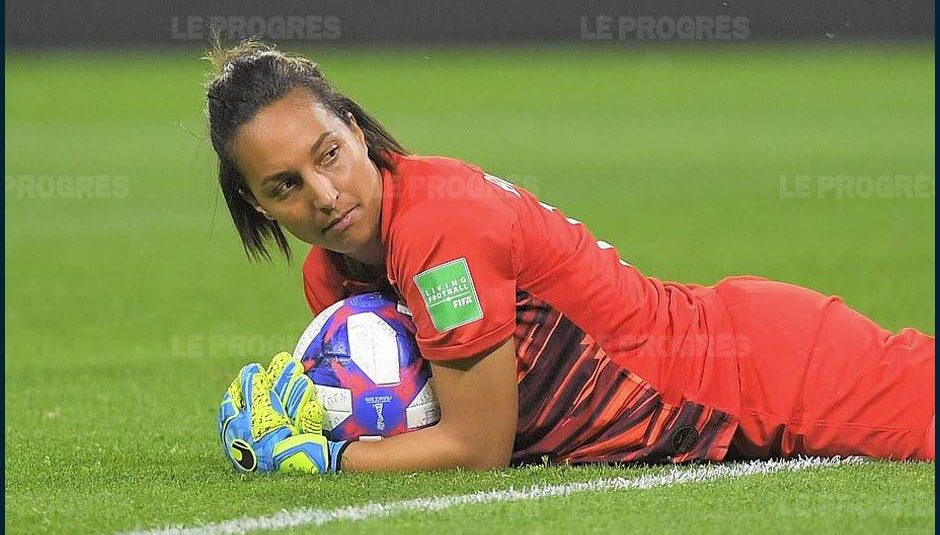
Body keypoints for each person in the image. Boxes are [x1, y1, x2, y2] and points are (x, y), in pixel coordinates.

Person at [208, 42, 934, 475]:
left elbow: (477, 444)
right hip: (719, 378)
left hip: (760, 375)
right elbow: (412, 412)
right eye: (286, 187)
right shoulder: (329, 278)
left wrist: (322, 455)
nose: (325, 194)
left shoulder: (437, 225)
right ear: (260, 208)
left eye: (328, 153)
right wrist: (327, 407)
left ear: (359, 133)